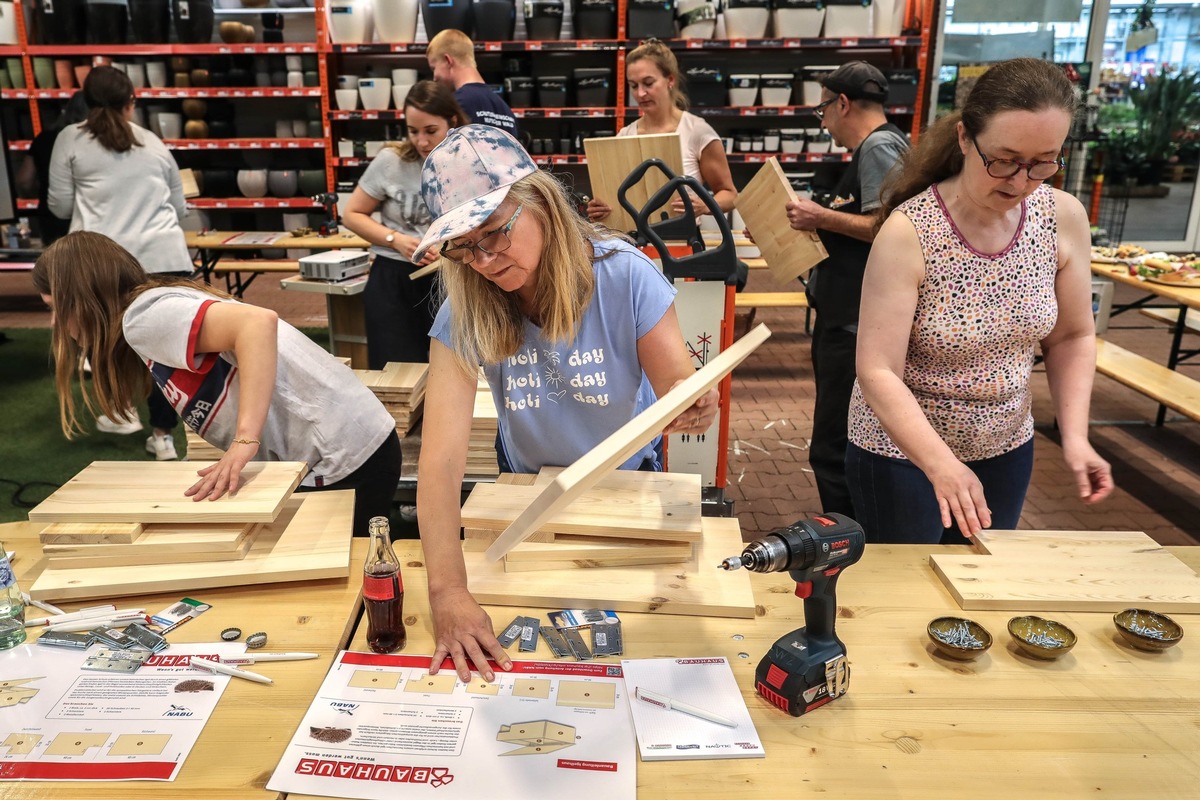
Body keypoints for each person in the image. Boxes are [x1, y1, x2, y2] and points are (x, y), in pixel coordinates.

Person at [413, 125, 718, 681]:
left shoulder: (625, 274)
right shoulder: (466, 305)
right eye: (462, 247)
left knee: (636, 635)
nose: (484, 260)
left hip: (626, 480)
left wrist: (691, 403)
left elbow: (678, 383)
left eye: (494, 233)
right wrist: (448, 591)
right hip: (527, 486)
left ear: (542, 204)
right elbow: (440, 461)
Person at [848, 57, 1113, 545]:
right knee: (908, 583)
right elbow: (878, 370)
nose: (1019, 182)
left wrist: (1075, 436)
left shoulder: (1062, 217)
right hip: (901, 451)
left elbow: (1072, 336)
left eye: (1043, 162)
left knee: (982, 579)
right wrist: (940, 464)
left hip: (1005, 445)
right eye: (1004, 160)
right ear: (966, 138)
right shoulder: (911, 231)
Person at [33, 231, 401, 538]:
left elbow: (256, 323)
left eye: (56, 307)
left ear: (82, 296)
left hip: (344, 456)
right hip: (345, 448)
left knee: (345, 579)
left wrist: (244, 440)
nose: (55, 322)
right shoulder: (149, 310)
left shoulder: (143, 317)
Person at [784, 61, 908, 519]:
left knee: (833, 447)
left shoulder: (878, 147)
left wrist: (820, 216)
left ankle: (849, 539)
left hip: (854, 323)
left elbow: (888, 227)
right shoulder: (881, 146)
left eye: (822, 111)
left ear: (842, 103)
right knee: (842, 441)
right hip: (849, 315)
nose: (824, 123)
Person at [47, 65, 191, 460]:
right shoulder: (152, 141)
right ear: (132, 102)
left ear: (85, 101)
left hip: (102, 264)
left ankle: (122, 411)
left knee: (101, 336)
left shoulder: (69, 139)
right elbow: (179, 207)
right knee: (165, 352)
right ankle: (163, 437)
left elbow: (59, 206)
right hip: (165, 257)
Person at [341, 80, 469, 368]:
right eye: (413, 131)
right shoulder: (391, 161)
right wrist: (395, 240)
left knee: (457, 368)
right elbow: (352, 214)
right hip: (394, 280)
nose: (421, 141)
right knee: (398, 372)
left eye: (430, 131)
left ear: (452, 122)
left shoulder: (469, 161)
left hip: (451, 277)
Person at [587, 39, 736, 224]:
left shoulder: (697, 131)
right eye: (634, 86)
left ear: (670, 80)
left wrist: (704, 205)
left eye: (648, 83)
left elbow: (730, 194)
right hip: (634, 239)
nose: (640, 94)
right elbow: (614, 197)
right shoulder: (625, 135)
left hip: (684, 239)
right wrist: (600, 208)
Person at [426, 29, 519, 139]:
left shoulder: (457, 105)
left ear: (448, 61)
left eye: (434, 68)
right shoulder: (506, 111)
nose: (434, 78)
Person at [25, 91, 89, 248]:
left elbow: (24, 180)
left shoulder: (45, 138)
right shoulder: (94, 141)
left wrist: (41, 192)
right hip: (87, 220)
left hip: (52, 221)